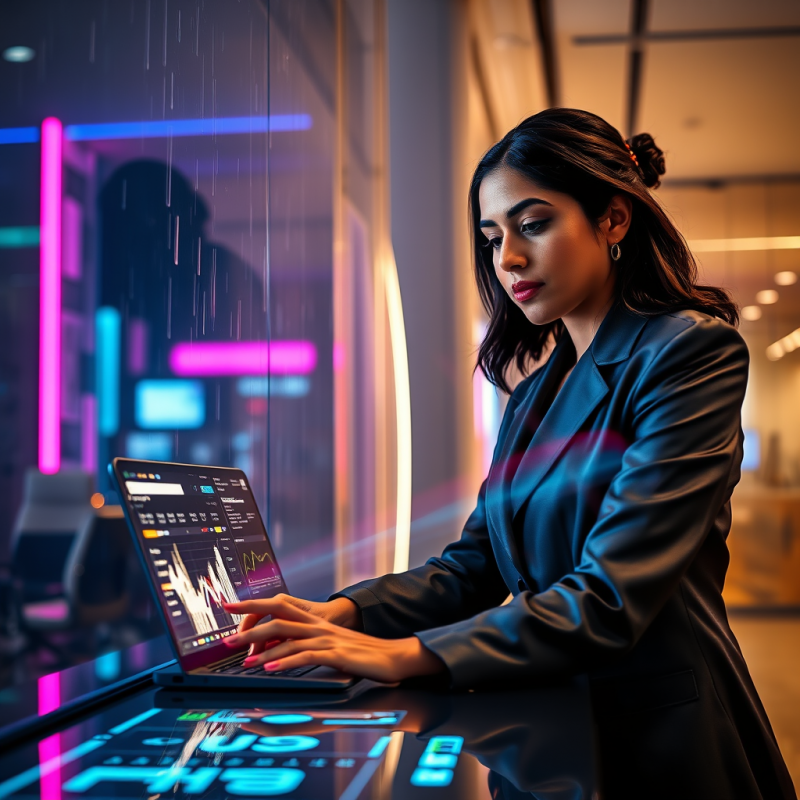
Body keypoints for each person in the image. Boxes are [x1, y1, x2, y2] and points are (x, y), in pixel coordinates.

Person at [223, 108, 795, 797]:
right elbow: (473, 567)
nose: (508, 260)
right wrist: (338, 615)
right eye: (493, 237)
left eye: (533, 225)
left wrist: (401, 655)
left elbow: (610, 597)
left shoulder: (688, 352)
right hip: (543, 729)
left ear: (614, 220)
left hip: (657, 745)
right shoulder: (533, 395)